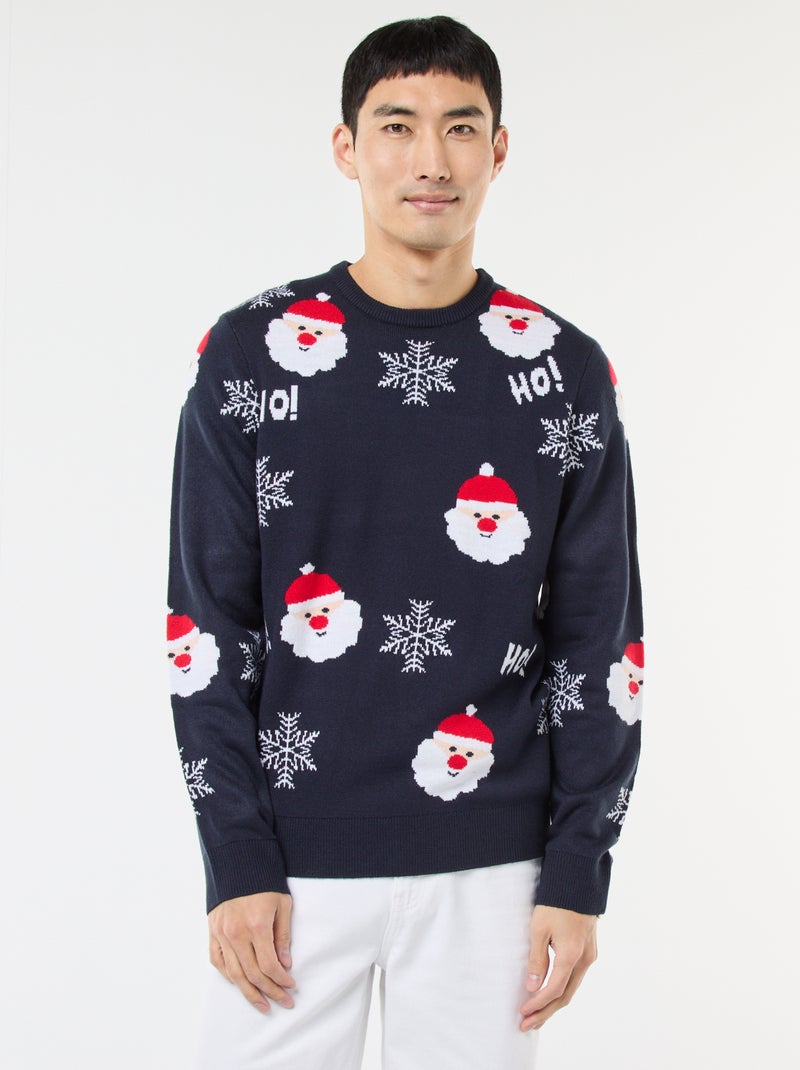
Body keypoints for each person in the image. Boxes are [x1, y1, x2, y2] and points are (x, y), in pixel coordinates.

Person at [168, 15, 643, 1069]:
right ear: (346, 147)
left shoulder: (561, 368)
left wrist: (577, 868)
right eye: (396, 125)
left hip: (494, 869)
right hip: (291, 865)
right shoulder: (253, 353)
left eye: (460, 127)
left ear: (498, 149)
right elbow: (206, 626)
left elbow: (598, 639)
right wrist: (235, 854)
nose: (431, 159)